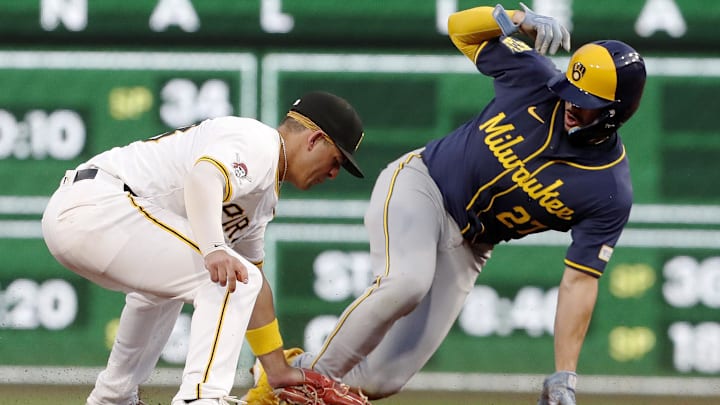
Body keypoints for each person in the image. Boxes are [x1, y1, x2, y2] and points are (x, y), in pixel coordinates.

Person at [244, 3, 646, 405]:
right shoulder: (536, 80)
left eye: (585, 100)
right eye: (570, 92)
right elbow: (459, 29)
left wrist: (565, 376)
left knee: (381, 379)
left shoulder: (607, 189)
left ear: (617, 112)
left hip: (471, 245)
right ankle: (290, 390)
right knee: (407, 282)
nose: (571, 104)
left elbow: (579, 282)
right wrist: (514, 19)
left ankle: (296, 369)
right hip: (423, 185)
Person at [41, 91, 366, 405]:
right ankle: (202, 397)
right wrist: (214, 249)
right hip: (99, 206)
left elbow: (255, 282)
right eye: (336, 160)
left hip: (93, 219)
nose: (334, 173)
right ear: (313, 140)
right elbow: (204, 177)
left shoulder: (263, 196)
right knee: (231, 278)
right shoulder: (259, 143)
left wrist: (277, 369)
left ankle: (113, 397)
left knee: (187, 286)